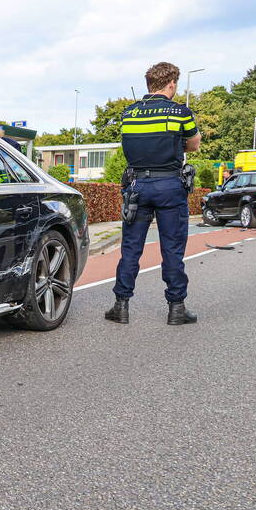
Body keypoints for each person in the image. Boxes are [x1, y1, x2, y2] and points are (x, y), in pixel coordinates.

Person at [105, 62, 201, 326]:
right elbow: (194, 144)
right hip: (170, 186)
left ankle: (121, 306)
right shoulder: (180, 112)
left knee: (131, 249)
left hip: (137, 186)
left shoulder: (129, 114)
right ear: (171, 84)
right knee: (172, 249)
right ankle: (177, 308)